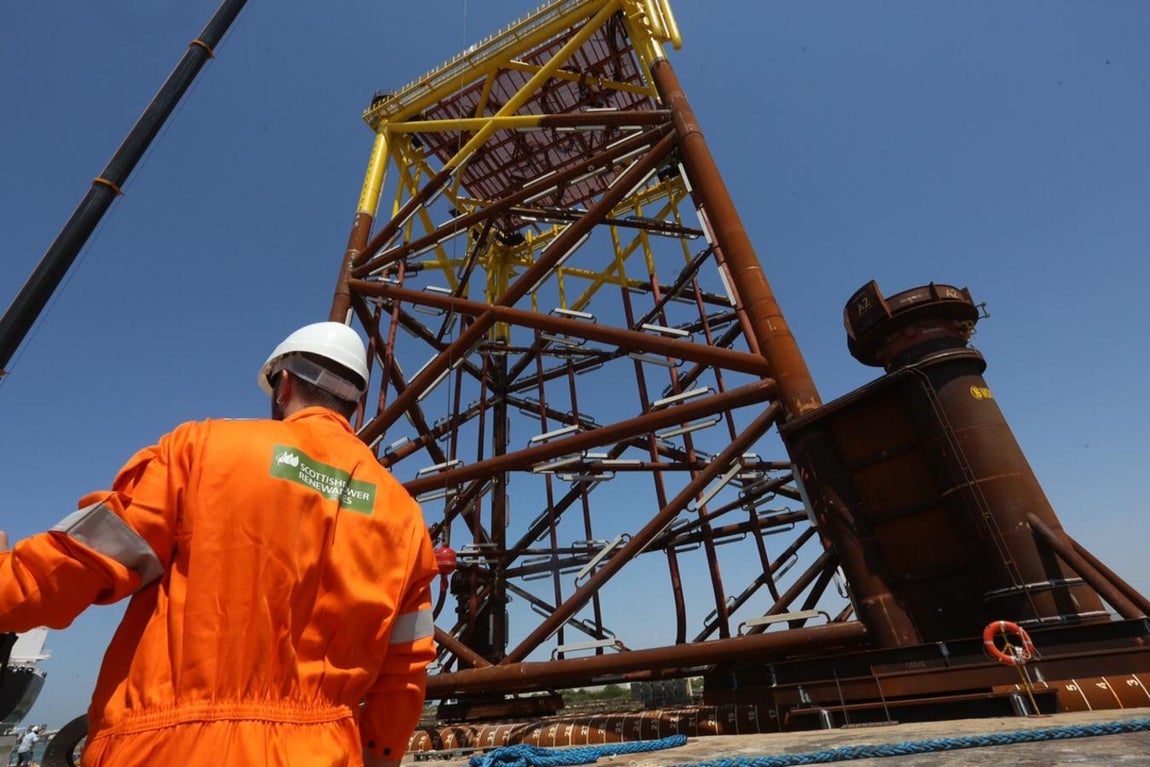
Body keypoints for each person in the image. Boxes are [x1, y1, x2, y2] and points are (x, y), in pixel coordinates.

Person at [0, 322, 439, 767]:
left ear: (284, 385)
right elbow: (404, 673)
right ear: (355, 405)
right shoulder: (403, 516)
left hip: (171, 750)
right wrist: (379, 756)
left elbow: (79, 561)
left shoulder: (202, 449)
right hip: (324, 752)